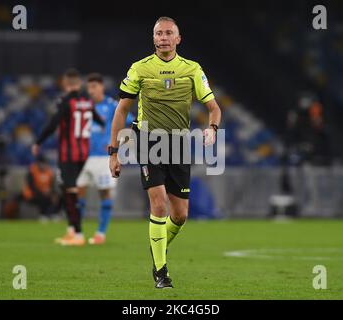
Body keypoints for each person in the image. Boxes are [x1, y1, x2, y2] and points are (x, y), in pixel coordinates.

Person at [108, 17, 222, 288]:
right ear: (153, 38)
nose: (163, 38)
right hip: (148, 139)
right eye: (159, 33)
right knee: (158, 203)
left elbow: (214, 107)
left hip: (179, 143)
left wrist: (213, 128)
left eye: (168, 33)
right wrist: (114, 152)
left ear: (178, 39)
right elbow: (121, 110)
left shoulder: (192, 70)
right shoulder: (140, 68)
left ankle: (157, 245)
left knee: (180, 215)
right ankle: (161, 272)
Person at [31, 69, 105, 246]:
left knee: (70, 191)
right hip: (83, 153)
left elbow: (53, 123)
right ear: (78, 83)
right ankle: (72, 230)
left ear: (66, 84)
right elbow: (98, 119)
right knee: (66, 189)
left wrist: (38, 142)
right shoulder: (87, 101)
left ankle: (78, 234)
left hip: (68, 154)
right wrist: (102, 126)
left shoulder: (66, 101)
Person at [76, 73, 134, 245]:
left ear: (101, 87)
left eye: (94, 87)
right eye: (89, 87)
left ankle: (101, 233)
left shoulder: (111, 106)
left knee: (104, 194)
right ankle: (77, 233)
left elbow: (129, 124)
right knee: (77, 194)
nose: (91, 91)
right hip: (84, 157)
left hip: (103, 158)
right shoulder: (84, 107)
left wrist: (118, 144)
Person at [22, 154, 61, 220]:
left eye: (44, 163)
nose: (43, 165)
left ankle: (55, 214)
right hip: (32, 194)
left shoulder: (49, 172)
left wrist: (52, 192)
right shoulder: (32, 171)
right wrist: (43, 192)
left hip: (46, 193)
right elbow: (31, 186)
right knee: (43, 197)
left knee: (58, 196)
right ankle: (43, 215)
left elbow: (52, 185)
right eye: (41, 163)